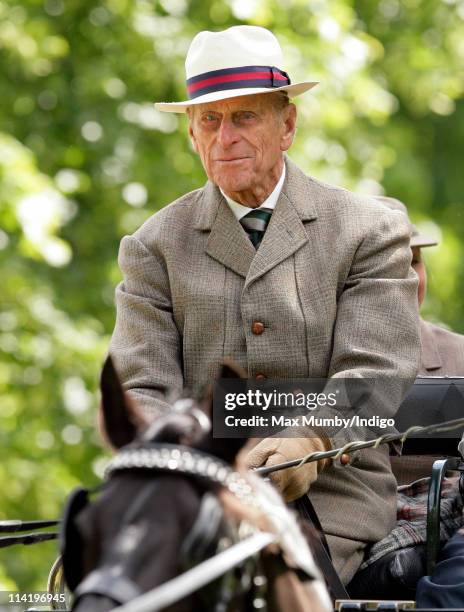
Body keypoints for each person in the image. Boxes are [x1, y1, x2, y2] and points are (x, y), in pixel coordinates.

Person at [109, 25, 420, 584]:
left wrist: (311, 440)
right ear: (192, 133)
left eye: (245, 117)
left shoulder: (366, 230)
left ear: (288, 125)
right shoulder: (153, 247)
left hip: (334, 508)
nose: (225, 137)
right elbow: (142, 390)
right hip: (196, 505)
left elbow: (376, 371)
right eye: (210, 120)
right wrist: (184, 475)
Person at [376, 196, 464, 376]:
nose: (412, 278)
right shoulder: (317, 360)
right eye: (393, 264)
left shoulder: (459, 357)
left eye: (414, 261)